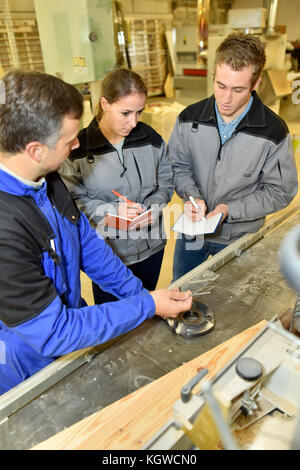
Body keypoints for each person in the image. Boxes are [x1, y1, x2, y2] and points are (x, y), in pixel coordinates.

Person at [0, 69, 192, 395]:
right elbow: (54, 331)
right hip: (25, 363)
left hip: (69, 327)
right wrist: (146, 307)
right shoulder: (7, 229)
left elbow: (88, 245)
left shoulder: (45, 177)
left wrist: (141, 296)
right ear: (35, 149)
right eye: (68, 140)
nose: (77, 144)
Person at [169, 33, 298, 280]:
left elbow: (281, 191)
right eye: (221, 85)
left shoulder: (273, 131)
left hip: (239, 237)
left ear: (256, 83)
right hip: (192, 233)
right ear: (214, 76)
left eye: (238, 89)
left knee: (230, 303)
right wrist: (191, 196)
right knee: (180, 291)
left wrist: (231, 210)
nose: (226, 99)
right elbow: (177, 165)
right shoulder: (189, 118)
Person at [61, 68, 174, 305]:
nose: (134, 122)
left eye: (139, 112)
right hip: (109, 256)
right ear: (104, 104)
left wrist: (152, 209)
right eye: (125, 113)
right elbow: (72, 200)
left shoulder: (151, 139)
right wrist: (111, 213)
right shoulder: (77, 149)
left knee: (147, 309)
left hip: (152, 246)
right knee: (116, 322)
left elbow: (166, 181)